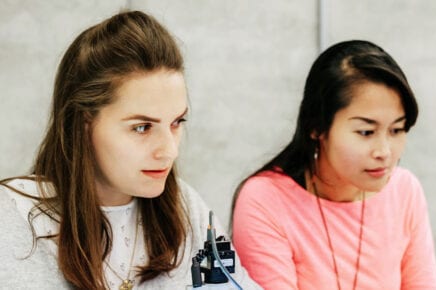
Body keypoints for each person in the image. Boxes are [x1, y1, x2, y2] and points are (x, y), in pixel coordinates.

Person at [0, 11, 260, 290]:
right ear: (84, 124)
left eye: (176, 122)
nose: (169, 151)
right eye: (142, 128)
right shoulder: (15, 218)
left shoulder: (184, 206)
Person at [231, 40, 436, 290]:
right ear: (317, 127)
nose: (384, 152)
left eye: (396, 130)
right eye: (366, 132)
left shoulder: (404, 190)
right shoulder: (266, 199)